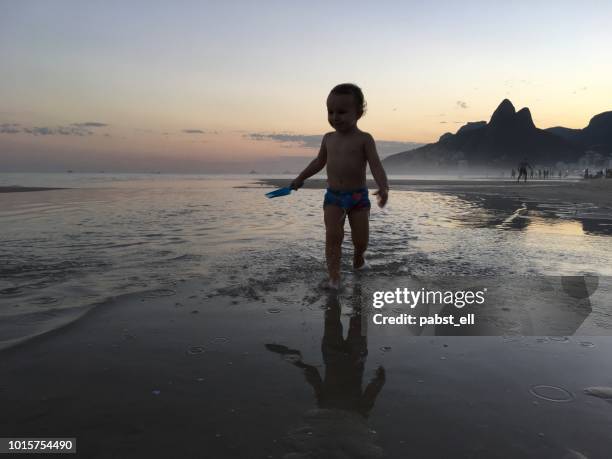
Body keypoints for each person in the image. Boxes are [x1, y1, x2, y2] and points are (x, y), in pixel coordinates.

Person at [290, 83, 389, 289]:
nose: (335, 116)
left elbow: (376, 165)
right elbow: (318, 162)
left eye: (342, 112)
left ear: (359, 113)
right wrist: (300, 178)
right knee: (333, 237)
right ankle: (334, 277)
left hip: (358, 198)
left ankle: (358, 258)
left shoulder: (364, 139)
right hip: (333, 197)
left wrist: (384, 187)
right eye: (331, 111)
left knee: (361, 240)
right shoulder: (328, 138)